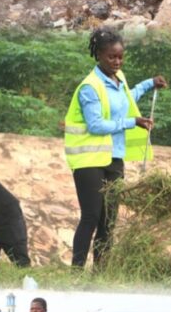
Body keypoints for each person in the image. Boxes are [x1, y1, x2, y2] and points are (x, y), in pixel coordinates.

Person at [63, 28, 163, 267]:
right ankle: (76, 271)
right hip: (89, 161)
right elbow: (96, 125)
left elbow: (127, 98)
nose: (117, 61)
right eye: (111, 57)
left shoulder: (120, 78)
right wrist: (133, 122)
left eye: (120, 57)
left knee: (109, 220)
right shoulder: (90, 86)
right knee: (91, 216)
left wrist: (150, 83)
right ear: (98, 55)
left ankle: (101, 271)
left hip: (114, 158)